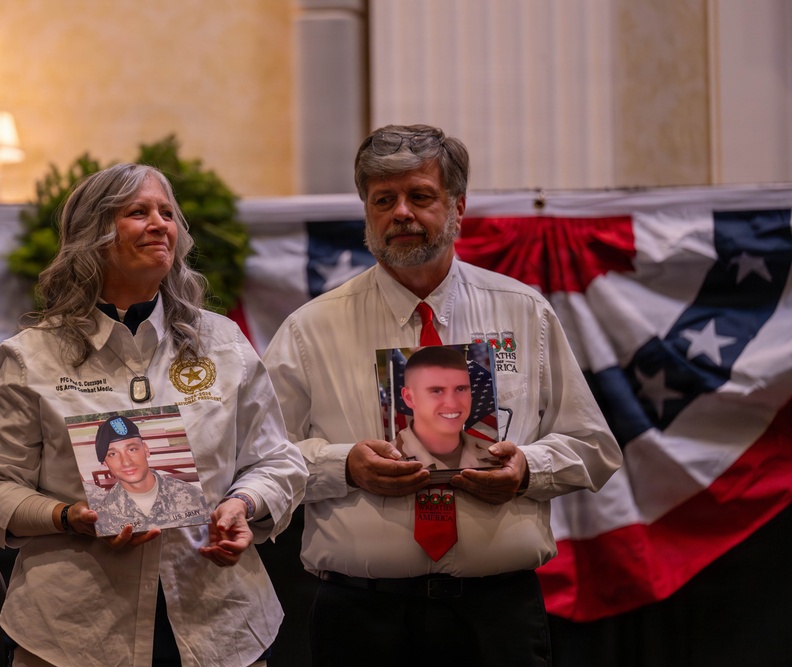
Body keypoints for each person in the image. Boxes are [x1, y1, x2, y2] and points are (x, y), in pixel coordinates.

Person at [262, 124, 622, 666]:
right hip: (362, 621)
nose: (401, 213)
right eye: (383, 199)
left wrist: (527, 467)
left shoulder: (524, 312)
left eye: (420, 196)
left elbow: (594, 447)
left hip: (497, 616)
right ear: (366, 211)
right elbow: (262, 459)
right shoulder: (309, 328)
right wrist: (345, 466)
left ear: (458, 208)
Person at [0, 163, 307, 667]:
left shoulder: (222, 341)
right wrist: (67, 517)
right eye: (137, 212)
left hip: (218, 624)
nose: (160, 223)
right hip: (75, 634)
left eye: (167, 213)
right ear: (90, 235)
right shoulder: (31, 356)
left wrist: (245, 504)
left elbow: (278, 460)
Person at [90, 414, 210, 533]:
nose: (126, 462)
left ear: (146, 449)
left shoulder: (194, 497)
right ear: (105, 463)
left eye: (132, 449)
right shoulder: (103, 516)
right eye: (112, 454)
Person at [395, 345, 499, 470]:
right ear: (409, 398)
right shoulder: (384, 461)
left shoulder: (495, 456)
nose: (452, 404)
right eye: (437, 391)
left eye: (460, 389)